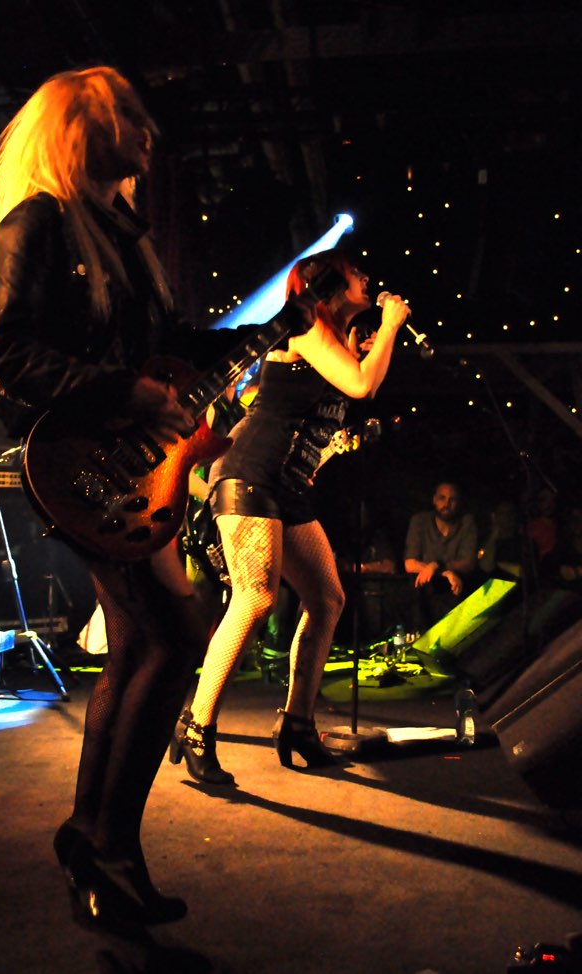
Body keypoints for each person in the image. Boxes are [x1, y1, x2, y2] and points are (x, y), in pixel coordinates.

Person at [0, 66, 314, 929]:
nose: (146, 130)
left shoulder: (122, 235)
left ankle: (93, 839)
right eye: (127, 115)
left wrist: (274, 330)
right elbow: (13, 355)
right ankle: (107, 846)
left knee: (142, 644)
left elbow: (169, 341)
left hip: (126, 469)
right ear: (82, 126)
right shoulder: (39, 221)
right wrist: (125, 392)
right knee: (173, 638)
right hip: (79, 462)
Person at [170, 250, 410, 784]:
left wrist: (374, 342)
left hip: (288, 485)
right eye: (354, 271)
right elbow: (362, 386)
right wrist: (392, 326)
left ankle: (297, 725)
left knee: (327, 599)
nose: (366, 276)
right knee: (255, 599)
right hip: (251, 473)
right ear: (328, 285)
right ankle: (196, 726)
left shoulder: (338, 340)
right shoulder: (306, 329)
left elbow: (364, 380)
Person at [404, 481, 478, 630]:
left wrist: (436, 565)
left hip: (456, 591)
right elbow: (409, 564)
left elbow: (469, 563)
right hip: (424, 594)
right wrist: (444, 572)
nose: (446, 504)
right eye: (442, 498)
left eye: (452, 499)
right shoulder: (420, 521)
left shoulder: (467, 522)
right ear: (434, 499)